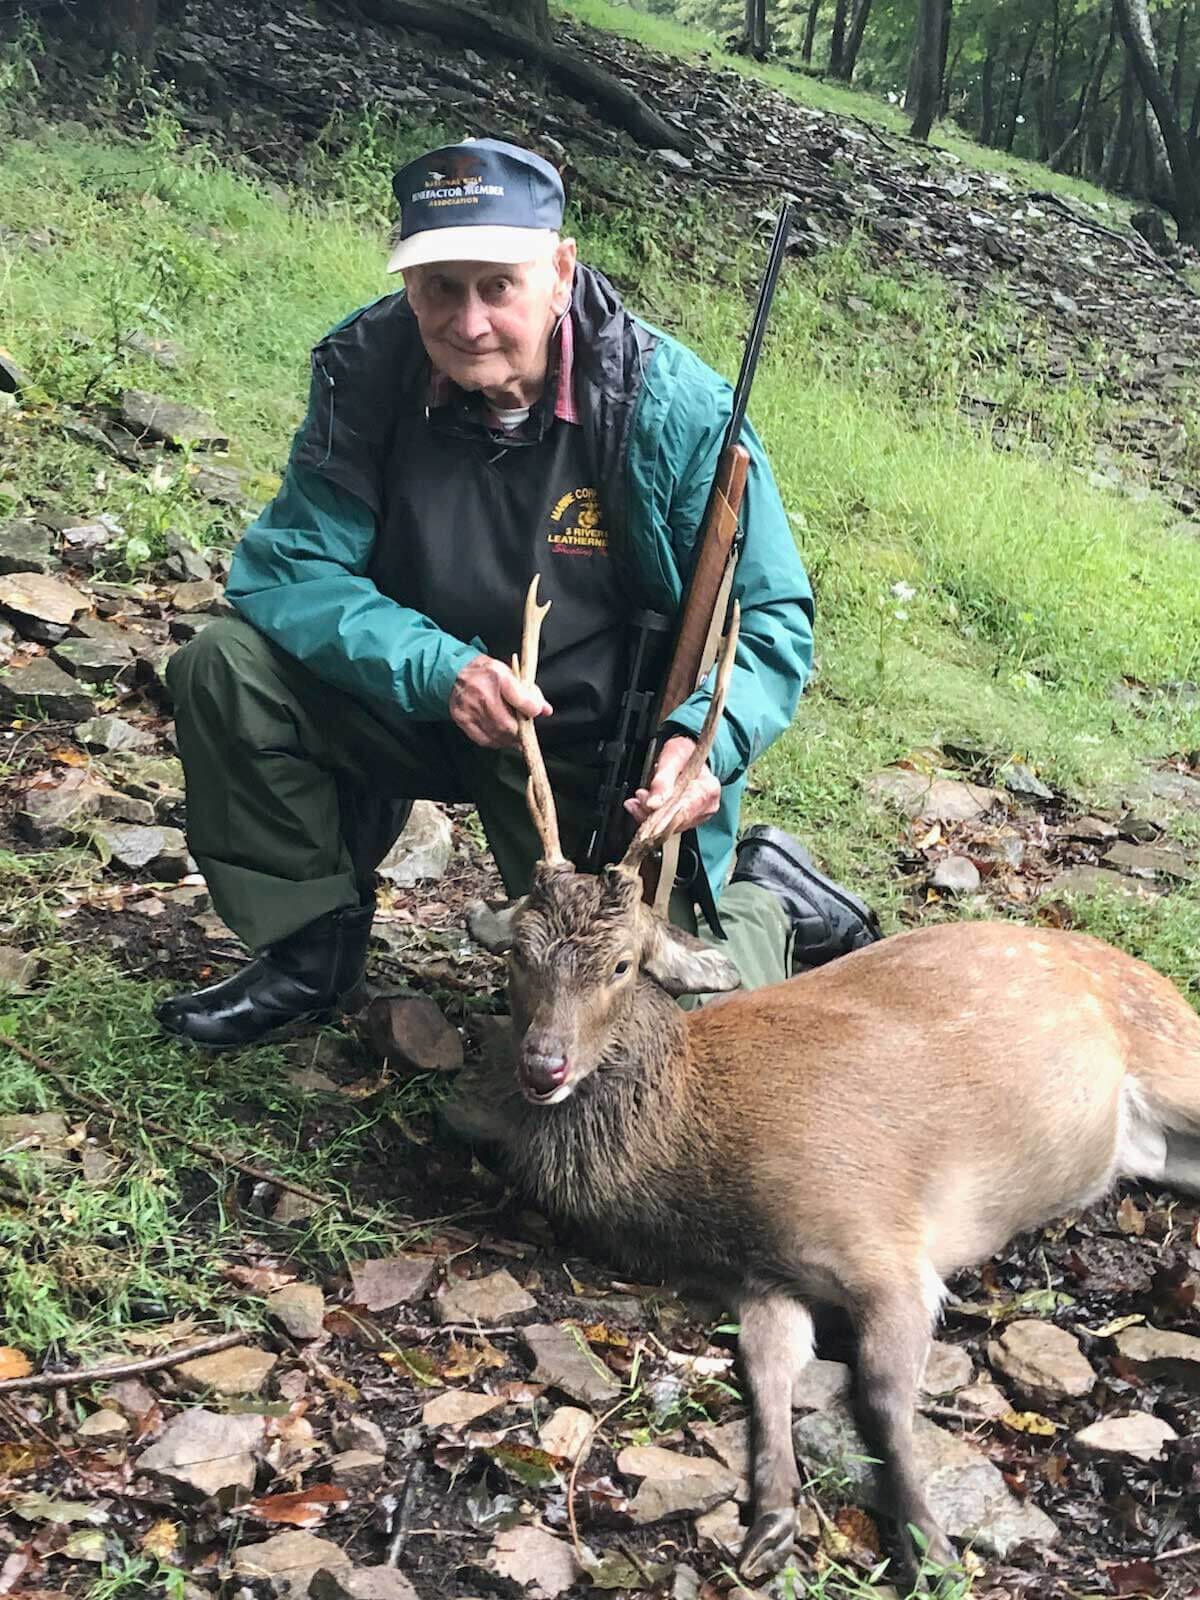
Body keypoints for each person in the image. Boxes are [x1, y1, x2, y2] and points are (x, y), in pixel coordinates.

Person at [157, 137, 877, 1051]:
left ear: (560, 272)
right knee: (226, 668)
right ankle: (309, 950)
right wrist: (438, 670)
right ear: (407, 283)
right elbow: (289, 568)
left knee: (676, 1039)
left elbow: (771, 616)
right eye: (438, 288)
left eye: (498, 285)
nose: (468, 322)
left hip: (582, 743)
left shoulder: (674, 408)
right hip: (417, 697)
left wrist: (702, 742)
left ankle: (768, 894)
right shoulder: (365, 368)